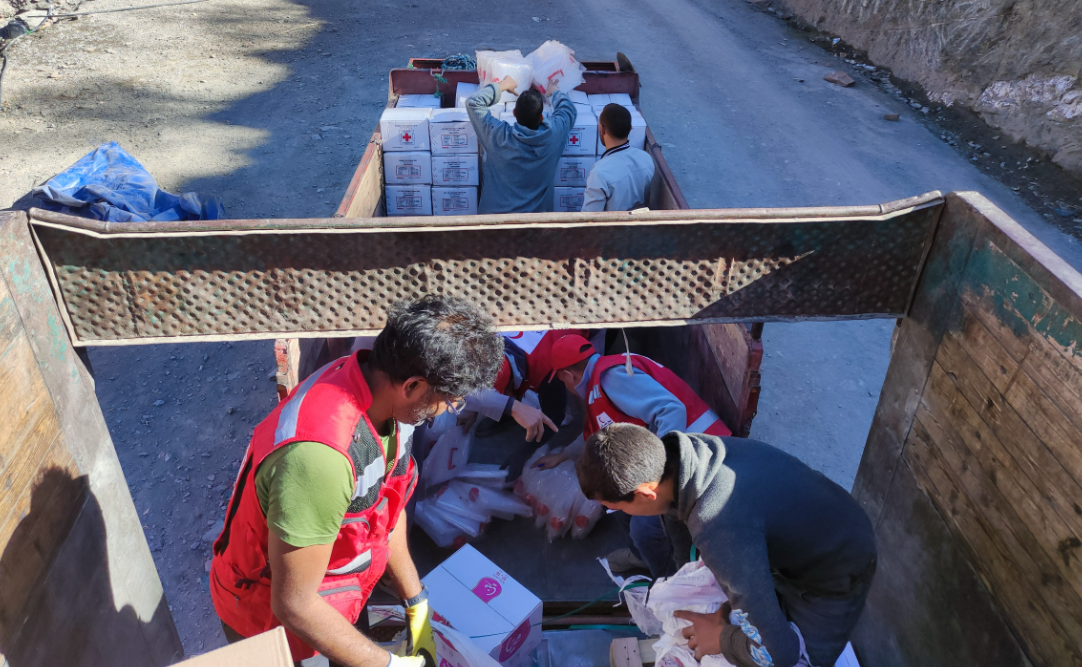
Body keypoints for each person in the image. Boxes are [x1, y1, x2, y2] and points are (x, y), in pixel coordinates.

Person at [210, 295, 504, 667]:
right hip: (273, 627)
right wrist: (389, 665)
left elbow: (386, 505)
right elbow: (294, 605)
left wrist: (416, 601)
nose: (446, 411)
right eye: (448, 401)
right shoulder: (321, 459)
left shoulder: (387, 403)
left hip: (327, 597)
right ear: (412, 386)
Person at [577, 424, 877, 667]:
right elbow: (677, 530)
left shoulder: (719, 528)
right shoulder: (679, 456)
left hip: (837, 569)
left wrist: (721, 639)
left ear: (645, 494)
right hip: (816, 522)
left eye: (614, 506)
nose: (619, 513)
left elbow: (780, 654)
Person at [540, 334, 731, 577]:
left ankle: (673, 584)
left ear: (568, 375)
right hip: (679, 451)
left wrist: (660, 475)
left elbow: (671, 410)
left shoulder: (612, 378)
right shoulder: (598, 385)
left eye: (561, 380)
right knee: (620, 504)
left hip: (701, 451)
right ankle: (643, 556)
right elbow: (601, 431)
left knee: (645, 529)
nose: (566, 386)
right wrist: (565, 455)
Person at [466, 76, 576, 214]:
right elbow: (568, 110)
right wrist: (554, 92)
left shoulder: (498, 136)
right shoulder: (553, 135)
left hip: (495, 222)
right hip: (536, 224)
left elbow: (473, 102)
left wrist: (502, 85)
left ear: (514, 113)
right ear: (541, 117)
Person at [581, 104, 655, 212]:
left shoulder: (599, 174)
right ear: (630, 129)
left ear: (602, 129)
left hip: (612, 228)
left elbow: (589, 219)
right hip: (640, 226)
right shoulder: (646, 158)